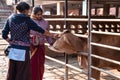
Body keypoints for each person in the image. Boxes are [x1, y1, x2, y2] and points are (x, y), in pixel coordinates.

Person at [2, 2, 53, 80]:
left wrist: (11, 42)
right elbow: (40, 30)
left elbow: (4, 34)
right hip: (23, 50)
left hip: (13, 49)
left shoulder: (10, 18)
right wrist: (52, 35)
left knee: (12, 70)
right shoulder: (26, 19)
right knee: (23, 72)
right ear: (26, 10)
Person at [30, 6, 54, 80]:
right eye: (37, 14)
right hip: (31, 47)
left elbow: (47, 34)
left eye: (40, 14)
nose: (39, 16)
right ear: (33, 14)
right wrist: (31, 37)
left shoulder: (45, 22)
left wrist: (51, 43)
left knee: (40, 64)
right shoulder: (29, 21)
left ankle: (40, 78)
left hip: (41, 46)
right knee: (32, 64)